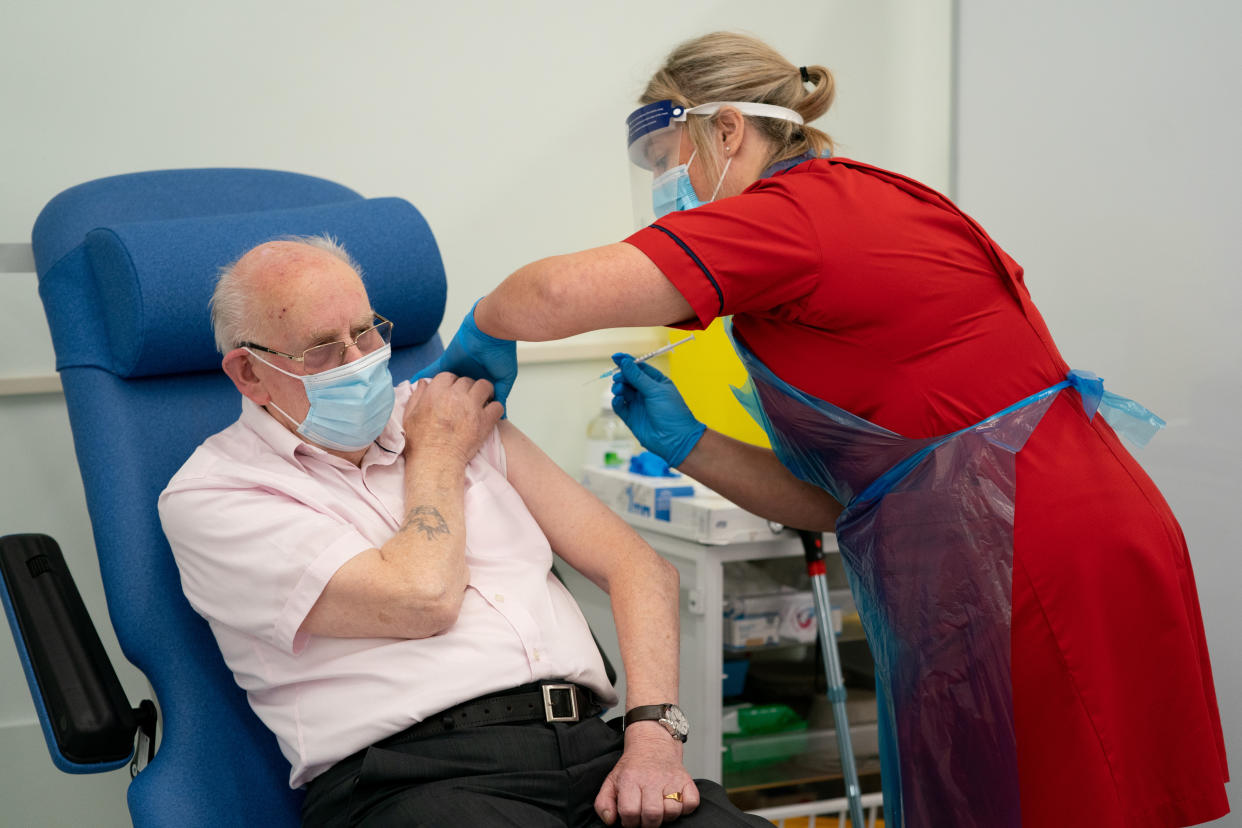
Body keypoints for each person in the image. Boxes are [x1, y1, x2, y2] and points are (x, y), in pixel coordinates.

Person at [416, 31, 1230, 828]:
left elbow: (554, 297)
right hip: (997, 539)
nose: (668, 189)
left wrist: (489, 320)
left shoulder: (796, 215)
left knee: (1061, 801)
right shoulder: (833, 215)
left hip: (1036, 551)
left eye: (669, 161)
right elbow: (844, 502)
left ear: (726, 130)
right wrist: (690, 441)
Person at [157, 236, 771, 828]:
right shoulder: (215, 496)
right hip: (413, 781)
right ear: (249, 373)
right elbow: (423, 598)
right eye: (322, 347)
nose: (360, 362)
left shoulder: (443, 407)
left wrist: (653, 736)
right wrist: (439, 457)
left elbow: (640, 568)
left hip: (595, 749)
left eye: (367, 331)